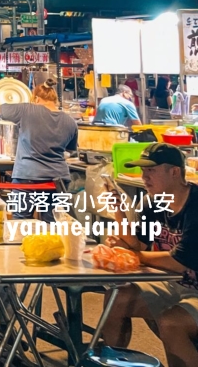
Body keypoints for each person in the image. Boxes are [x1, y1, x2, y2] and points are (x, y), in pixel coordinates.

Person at [102, 143, 198, 367]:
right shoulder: (153, 203)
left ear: (175, 172)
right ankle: (112, 364)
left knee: (171, 322)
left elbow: (177, 261)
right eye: (143, 171)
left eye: (151, 170)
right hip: (175, 283)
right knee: (117, 298)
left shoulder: (196, 205)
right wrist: (118, 211)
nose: (144, 177)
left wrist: (132, 254)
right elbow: (139, 244)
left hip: (188, 282)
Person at [0, 79, 78, 222]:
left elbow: (1, 108)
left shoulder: (28, 109)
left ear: (36, 98)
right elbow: (70, 149)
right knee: (53, 224)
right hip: (58, 179)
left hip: (27, 176)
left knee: (21, 223)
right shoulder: (70, 121)